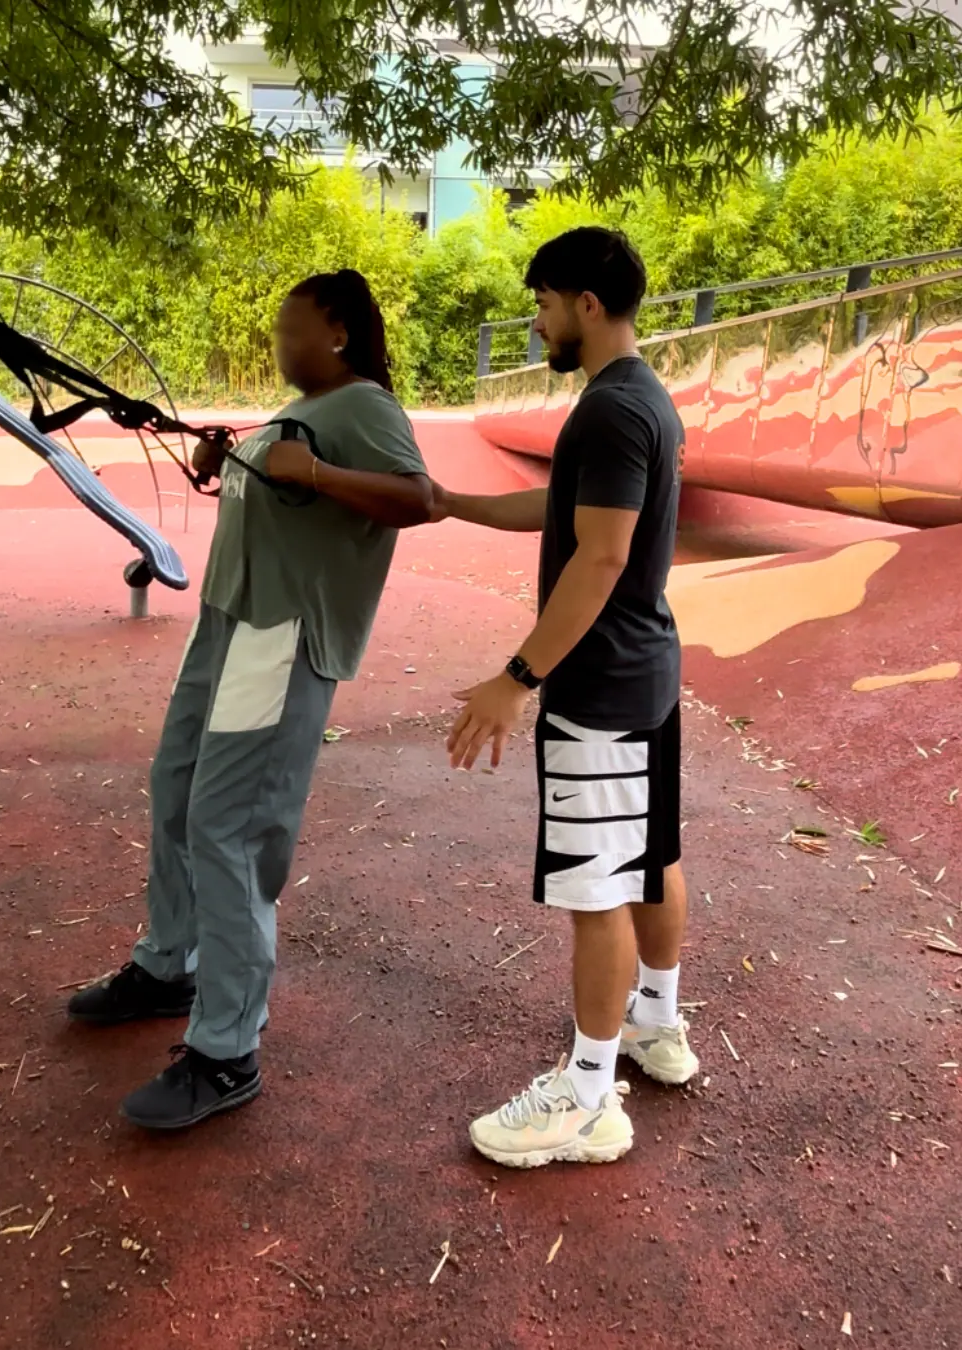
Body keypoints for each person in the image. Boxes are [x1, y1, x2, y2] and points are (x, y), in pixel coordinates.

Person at [68, 269, 432, 1131]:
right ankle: (169, 966)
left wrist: (309, 467)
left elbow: (418, 498)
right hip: (226, 626)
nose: (280, 339)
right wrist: (231, 460)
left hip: (279, 639)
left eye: (291, 326)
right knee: (175, 792)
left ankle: (227, 1050)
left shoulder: (367, 408)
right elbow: (285, 493)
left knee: (228, 826)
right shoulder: (302, 409)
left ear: (337, 331)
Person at [431, 226, 697, 1169]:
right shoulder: (639, 398)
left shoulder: (611, 411)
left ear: (587, 304)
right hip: (646, 675)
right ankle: (655, 1026)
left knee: (598, 892)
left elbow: (603, 553)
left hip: (601, 687)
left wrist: (517, 679)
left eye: (544, 302)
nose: (538, 319)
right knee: (649, 852)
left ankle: (587, 1096)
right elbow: (570, 514)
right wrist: (452, 502)